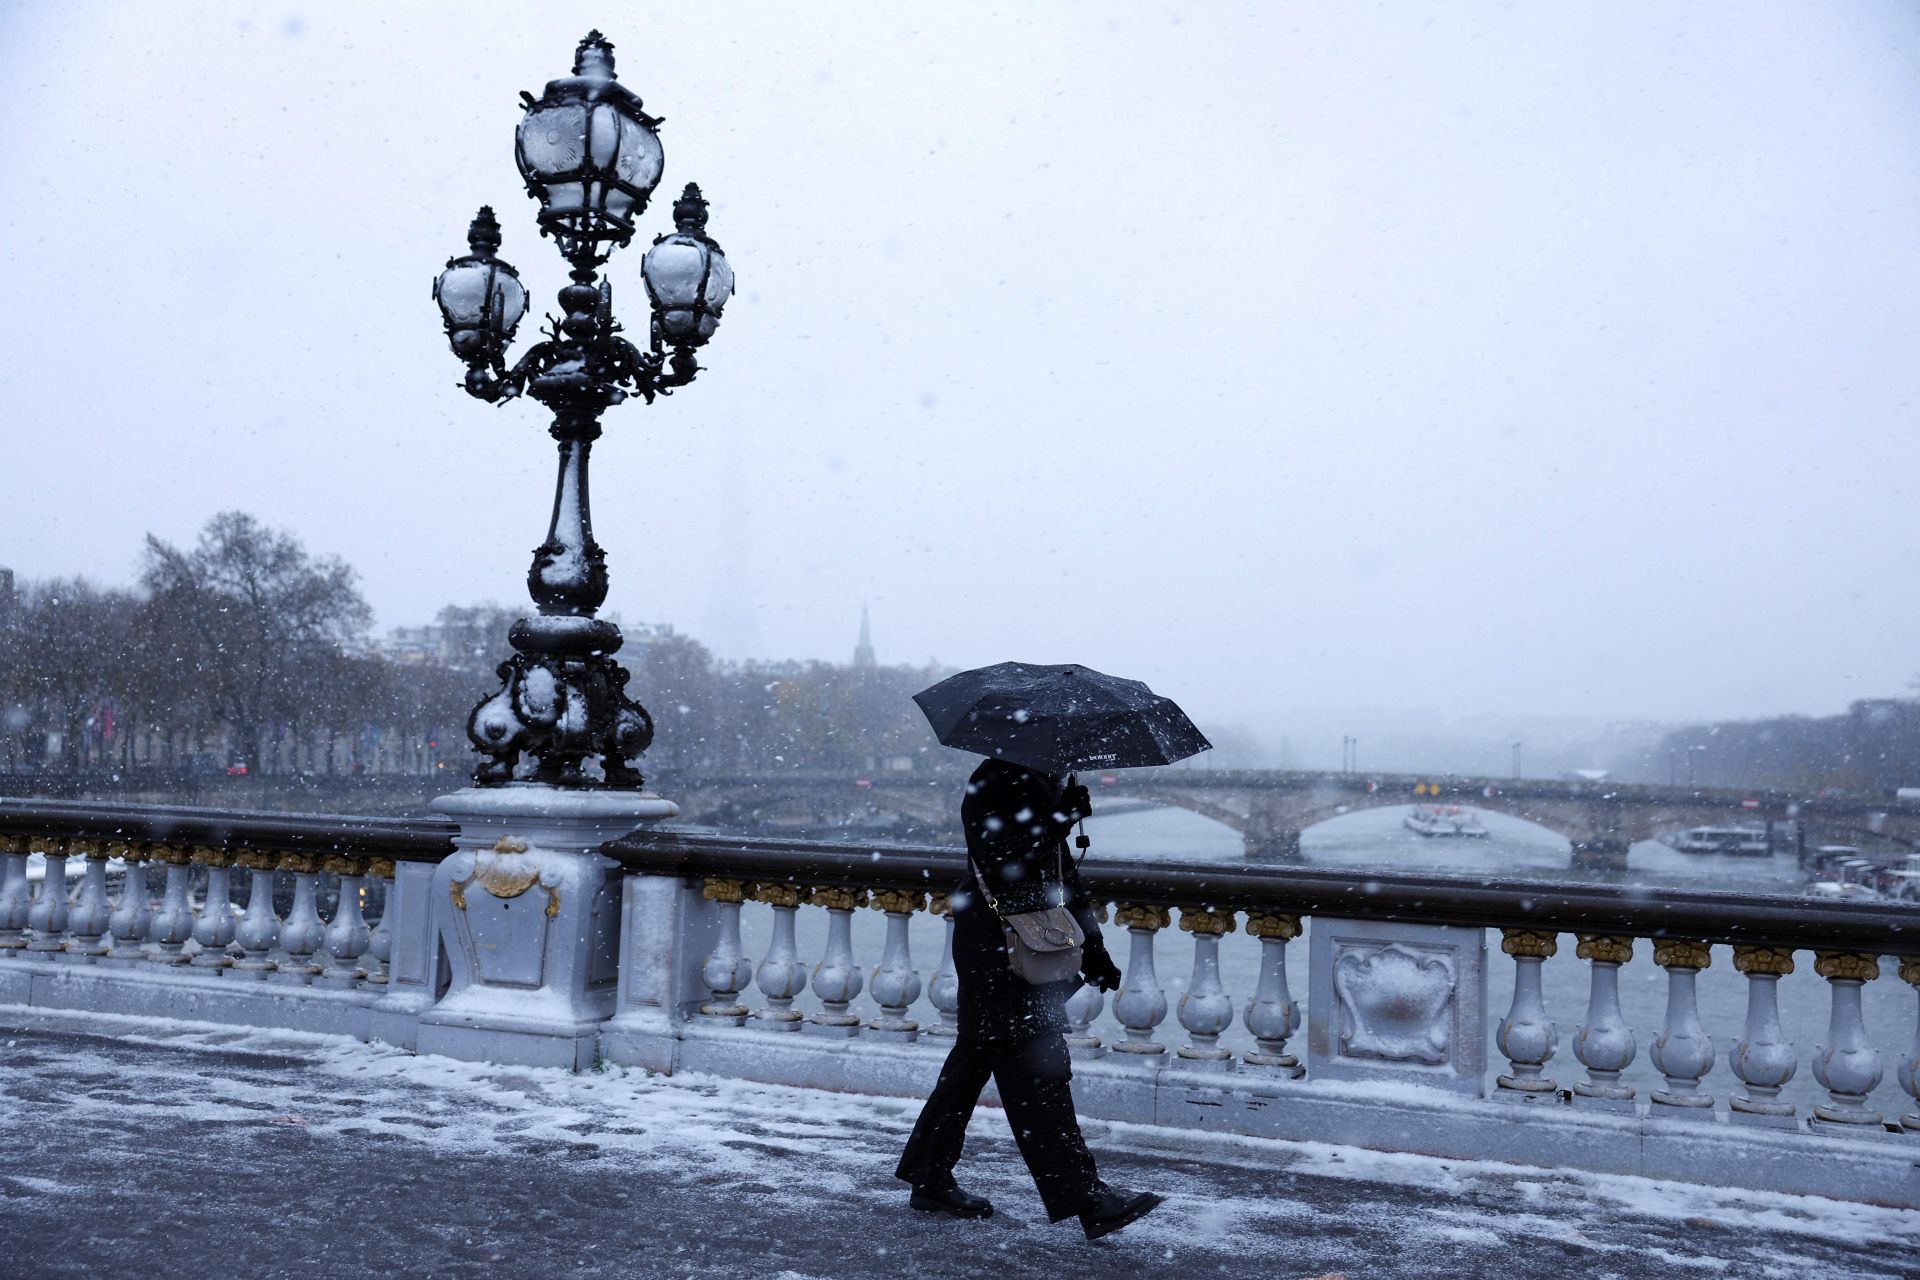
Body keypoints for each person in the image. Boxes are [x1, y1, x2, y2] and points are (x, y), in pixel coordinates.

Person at [895, 757, 1166, 1240]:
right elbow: (1003, 865)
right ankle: (1086, 1198)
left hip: (1028, 943)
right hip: (999, 946)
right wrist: (1058, 819)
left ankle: (930, 1176)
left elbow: (1061, 879)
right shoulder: (994, 779)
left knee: (974, 1063)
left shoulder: (1047, 779)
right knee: (1041, 1072)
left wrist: (1094, 950)